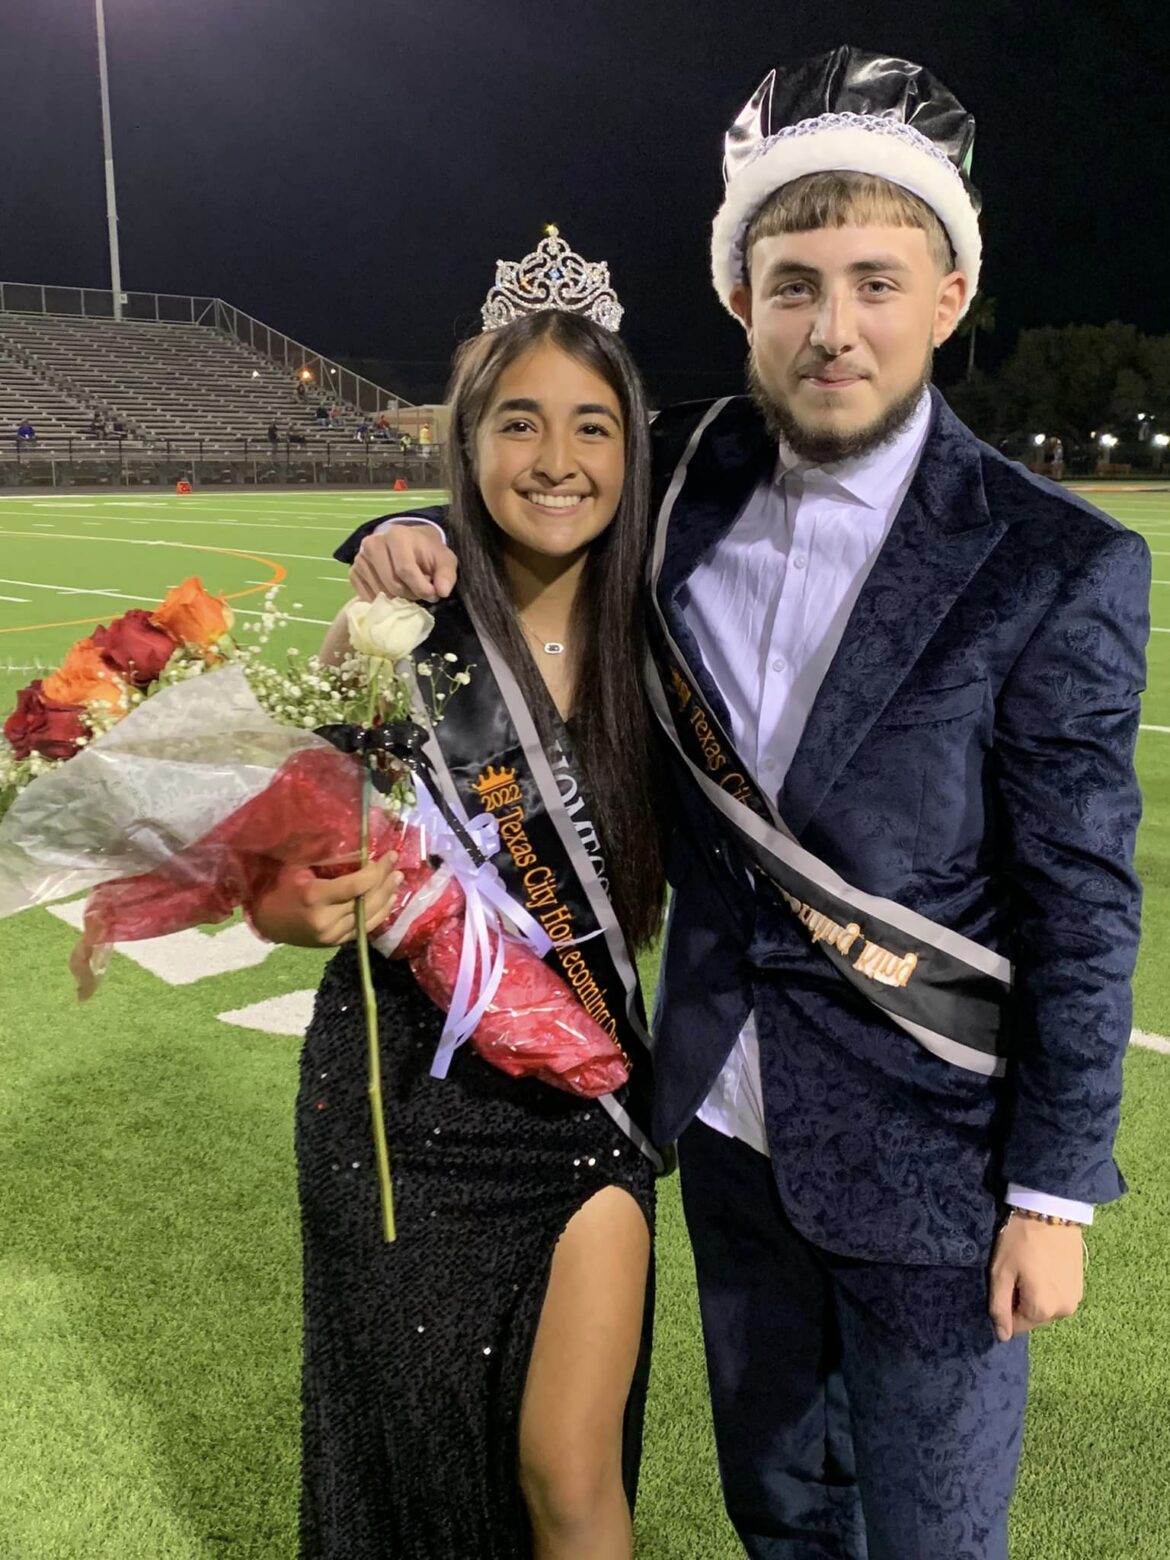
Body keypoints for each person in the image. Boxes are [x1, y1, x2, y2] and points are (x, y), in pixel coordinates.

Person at [338, 50, 1150, 1560]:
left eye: (875, 282)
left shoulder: (1055, 559)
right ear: (739, 299)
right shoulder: (688, 472)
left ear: (950, 298)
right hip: (721, 1119)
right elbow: (532, 485)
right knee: (778, 1514)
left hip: (937, 1156)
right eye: (794, 285)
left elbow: (1083, 899)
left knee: (932, 1535)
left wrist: (1053, 1193)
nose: (833, 327)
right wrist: (402, 535)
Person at [251, 233, 666, 1560]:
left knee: (569, 1475)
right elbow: (274, 875)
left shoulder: (666, 634)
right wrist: (305, 904)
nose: (556, 459)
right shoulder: (391, 629)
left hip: (582, 1093)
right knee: (414, 1459)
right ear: (467, 440)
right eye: (518, 422)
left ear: (632, 447)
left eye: (592, 425)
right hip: (397, 1105)